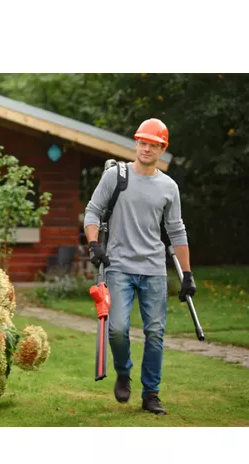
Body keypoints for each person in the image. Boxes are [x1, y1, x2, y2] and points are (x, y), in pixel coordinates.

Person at [83, 118, 196, 415]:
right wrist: (94, 244)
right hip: (118, 266)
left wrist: (187, 275)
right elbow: (93, 211)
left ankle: (151, 393)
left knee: (155, 333)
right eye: (142, 142)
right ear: (136, 143)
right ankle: (123, 371)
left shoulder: (169, 187)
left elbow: (177, 231)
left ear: (162, 149)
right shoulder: (115, 176)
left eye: (153, 144)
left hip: (154, 270)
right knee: (118, 329)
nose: (146, 148)